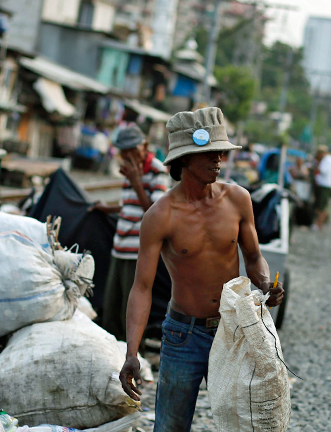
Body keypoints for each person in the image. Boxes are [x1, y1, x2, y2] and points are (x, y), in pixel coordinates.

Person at [118, 107, 285, 432]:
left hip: (235, 330)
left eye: (220, 152)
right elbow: (142, 288)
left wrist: (265, 283)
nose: (218, 160)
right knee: (171, 426)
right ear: (184, 160)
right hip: (184, 336)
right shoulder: (160, 215)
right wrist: (132, 352)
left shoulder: (238, 199)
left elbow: (253, 258)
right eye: (209, 154)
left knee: (246, 424)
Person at [89, 125, 170, 341]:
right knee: (111, 307)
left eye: (132, 150)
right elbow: (130, 205)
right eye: (124, 152)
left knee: (131, 310)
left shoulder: (156, 170)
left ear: (144, 146)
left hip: (138, 251)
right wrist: (108, 208)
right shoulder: (129, 168)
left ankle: (135, 358)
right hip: (120, 246)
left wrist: (136, 182)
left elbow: (155, 214)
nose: (128, 156)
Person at [313, 145, 331, 231]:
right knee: (320, 206)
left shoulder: (327, 160)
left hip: (325, 186)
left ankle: (320, 225)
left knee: (322, 206)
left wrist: (318, 165)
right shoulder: (328, 159)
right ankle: (318, 223)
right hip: (323, 185)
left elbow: (323, 171)